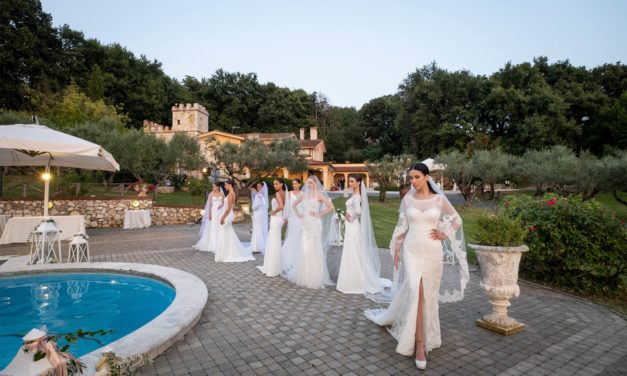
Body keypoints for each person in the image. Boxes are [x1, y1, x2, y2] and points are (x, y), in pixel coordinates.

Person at [364, 163, 469, 370]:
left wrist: (444, 233)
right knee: (416, 291)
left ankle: (423, 338)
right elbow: (401, 226)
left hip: (432, 252)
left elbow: (457, 219)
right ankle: (419, 345)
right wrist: (396, 249)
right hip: (411, 251)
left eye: (416, 177)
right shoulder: (408, 199)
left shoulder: (439, 199)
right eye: (410, 178)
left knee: (426, 295)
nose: (412, 181)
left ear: (427, 177)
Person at [336, 175, 392, 295]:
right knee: (353, 251)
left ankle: (355, 281)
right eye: (349, 181)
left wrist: (349, 218)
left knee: (353, 251)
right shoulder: (354, 195)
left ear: (358, 183)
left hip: (353, 225)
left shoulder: (357, 197)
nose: (349, 183)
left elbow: (358, 211)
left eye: (352, 181)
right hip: (351, 226)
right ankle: (352, 278)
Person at [285, 176, 335, 289]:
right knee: (304, 247)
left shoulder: (320, 195)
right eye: (308, 183)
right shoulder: (304, 195)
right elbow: (293, 205)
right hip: (305, 223)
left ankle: (314, 276)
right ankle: (304, 275)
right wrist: (299, 215)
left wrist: (320, 214)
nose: (309, 185)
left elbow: (331, 207)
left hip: (315, 224)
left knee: (314, 247)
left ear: (316, 183)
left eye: (311, 183)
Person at [215, 180, 255, 263]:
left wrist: (223, 217)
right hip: (228, 214)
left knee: (223, 231)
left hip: (228, 215)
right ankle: (226, 251)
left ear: (230, 185)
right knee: (227, 232)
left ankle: (226, 252)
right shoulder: (230, 193)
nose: (225, 186)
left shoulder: (231, 194)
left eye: (226, 185)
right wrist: (222, 204)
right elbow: (228, 204)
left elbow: (229, 208)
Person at [257, 178, 288, 277]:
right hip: (280, 219)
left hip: (276, 219)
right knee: (276, 241)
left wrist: (273, 212)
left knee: (273, 242)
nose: (275, 186)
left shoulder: (278, 194)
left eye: (276, 184)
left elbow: (281, 206)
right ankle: (276, 266)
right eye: (274, 184)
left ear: (281, 184)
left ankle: (273, 268)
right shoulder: (285, 193)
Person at [193, 183, 224, 252]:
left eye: (215, 186)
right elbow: (209, 205)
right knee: (212, 226)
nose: (213, 187)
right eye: (213, 186)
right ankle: (212, 243)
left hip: (220, 212)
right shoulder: (211, 194)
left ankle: (220, 242)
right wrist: (209, 214)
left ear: (218, 187)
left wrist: (221, 205)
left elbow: (223, 202)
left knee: (219, 226)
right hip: (213, 211)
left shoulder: (221, 194)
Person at [280, 178, 302, 272]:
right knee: (291, 235)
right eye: (293, 184)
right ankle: (288, 257)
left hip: (301, 217)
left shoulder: (303, 194)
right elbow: (286, 206)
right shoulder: (289, 193)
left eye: (296, 184)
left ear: (299, 184)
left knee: (299, 236)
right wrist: (285, 217)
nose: (294, 185)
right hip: (292, 217)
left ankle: (299, 257)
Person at [250, 182, 269, 254]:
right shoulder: (258, 194)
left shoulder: (261, 195)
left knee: (258, 228)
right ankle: (256, 245)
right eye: (257, 187)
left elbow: (262, 204)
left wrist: (254, 208)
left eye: (260, 187)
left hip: (259, 213)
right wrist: (254, 192)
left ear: (263, 187)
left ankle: (259, 246)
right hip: (257, 213)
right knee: (256, 228)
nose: (258, 188)